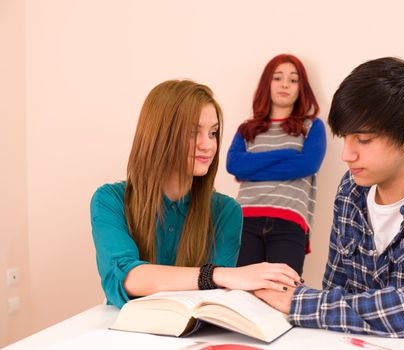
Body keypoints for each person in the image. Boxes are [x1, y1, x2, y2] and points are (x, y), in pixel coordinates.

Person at [255, 57, 404, 349]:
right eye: (345, 138)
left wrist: (300, 303)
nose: (347, 155)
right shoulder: (350, 191)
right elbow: (335, 293)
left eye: (363, 139)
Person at [91, 80, 301, 309]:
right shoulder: (110, 200)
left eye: (213, 133)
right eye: (193, 133)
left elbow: (211, 299)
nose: (208, 145)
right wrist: (219, 275)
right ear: (159, 135)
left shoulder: (226, 212)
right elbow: (127, 278)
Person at [226, 54, 327, 275]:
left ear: (302, 87)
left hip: (289, 221)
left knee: (282, 294)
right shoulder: (247, 129)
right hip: (246, 220)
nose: (284, 84)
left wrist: (252, 170)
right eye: (277, 78)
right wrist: (285, 153)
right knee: (240, 297)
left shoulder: (312, 126)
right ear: (267, 83)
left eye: (293, 80)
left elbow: (307, 165)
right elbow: (234, 165)